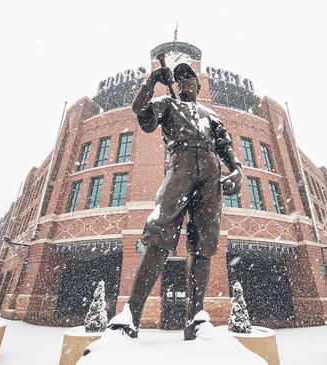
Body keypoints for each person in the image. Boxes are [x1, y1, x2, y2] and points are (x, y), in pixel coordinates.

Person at [109, 62, 243, 340]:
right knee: (158, 234)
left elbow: (224, 145)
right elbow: (141, 114)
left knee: (204, 244)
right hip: (179, 167)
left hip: (210, 172)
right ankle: (131, 315)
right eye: (179, 78)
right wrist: (152, 82)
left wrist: (238, 170)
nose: (183, 82)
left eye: (188, 78)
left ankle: (196, 318)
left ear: (198, 84)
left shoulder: (210, 115)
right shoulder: (167, 104)